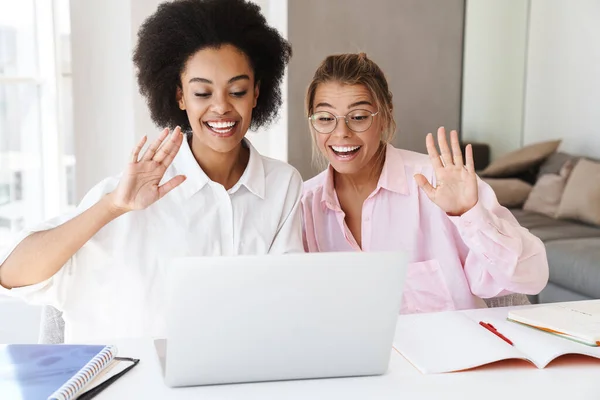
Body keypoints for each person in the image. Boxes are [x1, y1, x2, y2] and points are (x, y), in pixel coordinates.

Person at [0, 0, 303, 342]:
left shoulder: (282, 185)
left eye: (237, 91)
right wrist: (112, 206)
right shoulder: (131, 194)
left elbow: (288, 300)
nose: (221, 106)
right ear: (179, 96)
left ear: (256, 93)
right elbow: (11, 274)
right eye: (202, 92)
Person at [301, 53, 549, 313]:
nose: (341, 133)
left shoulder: (439, 182)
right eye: (326, 118)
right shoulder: (303, 205)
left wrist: (469, 215)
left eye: (359, 116)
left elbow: (533, 276)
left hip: (452, 350)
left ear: (385, 116)